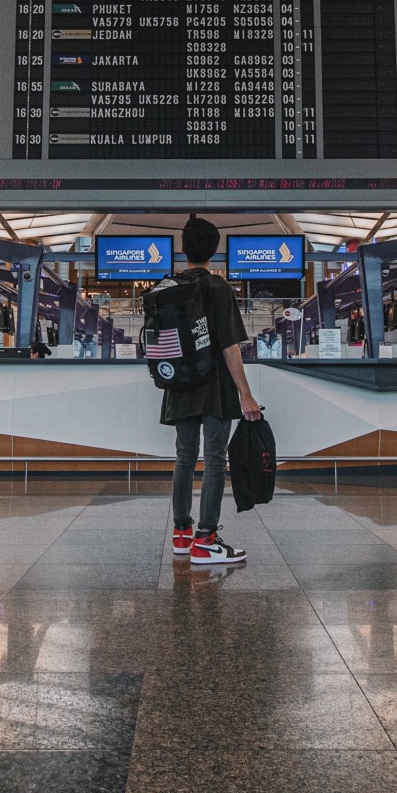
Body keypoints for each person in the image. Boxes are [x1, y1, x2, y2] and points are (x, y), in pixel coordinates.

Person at [163, 217, 263, 566]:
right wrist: (246, 395)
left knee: (184, 458)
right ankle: (205, 541)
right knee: (215, 459)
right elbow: (229, 347)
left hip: (179, 384)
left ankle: (182, 534)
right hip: (215, 387)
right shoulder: (219, 290)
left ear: (183, 248)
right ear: (214, 250)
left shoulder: (167, 286)